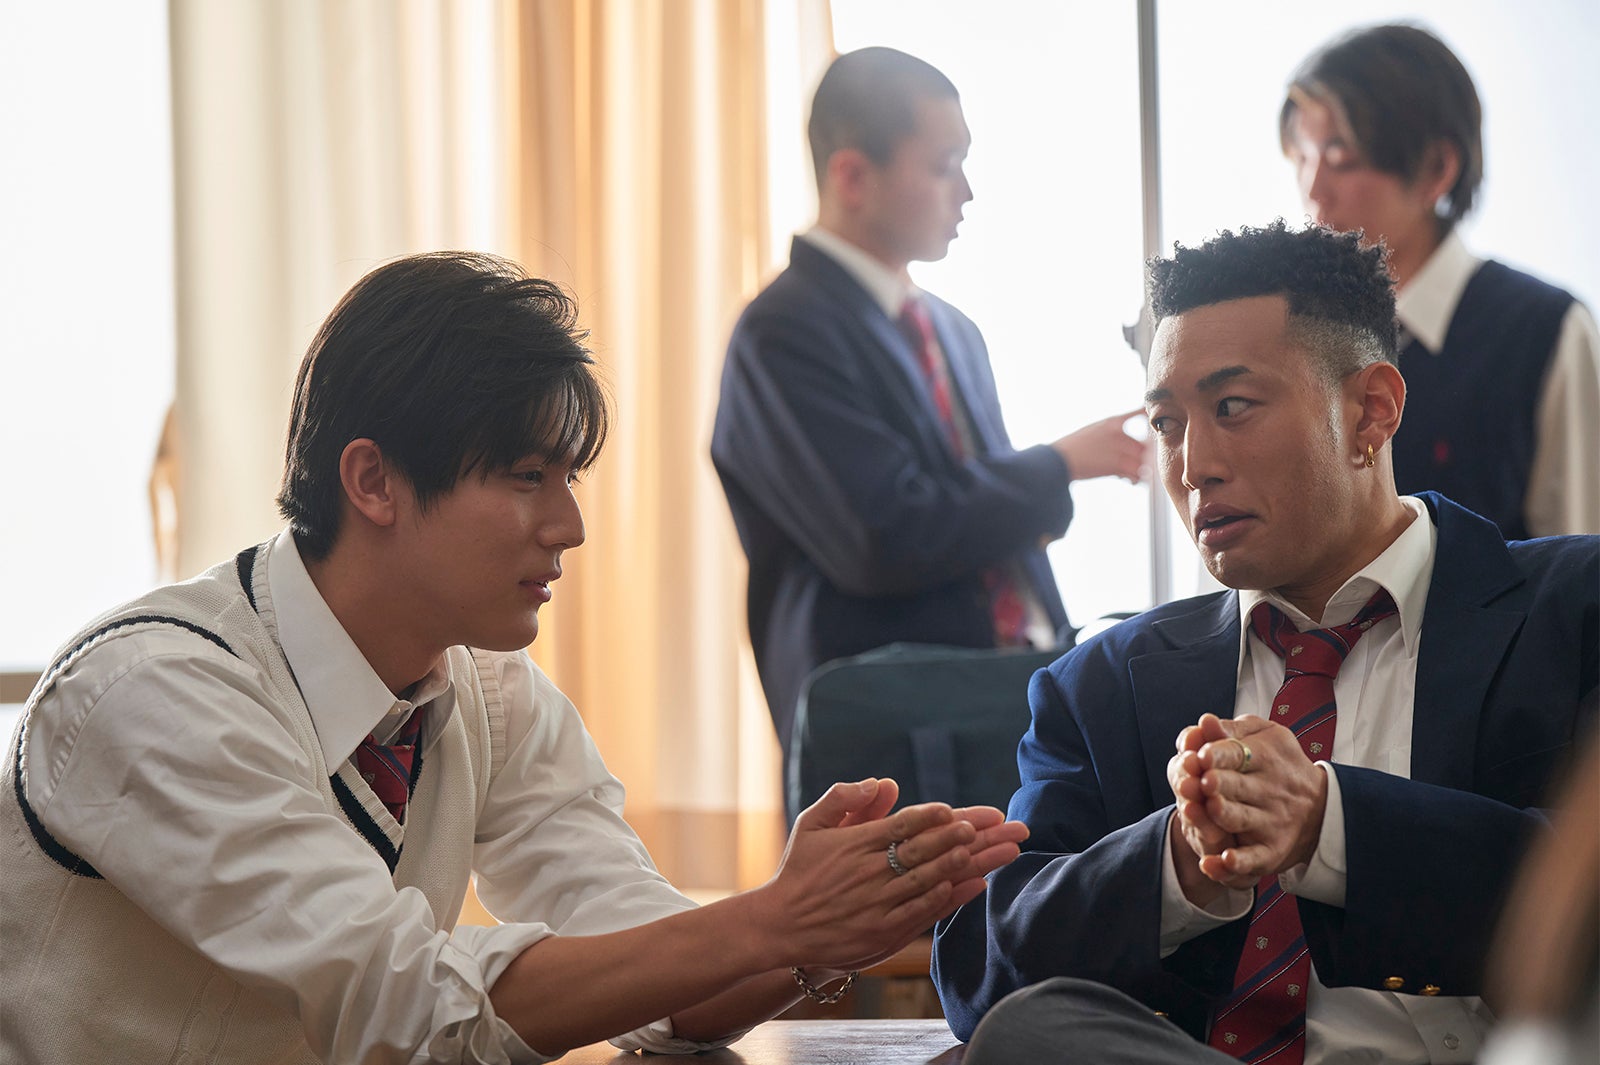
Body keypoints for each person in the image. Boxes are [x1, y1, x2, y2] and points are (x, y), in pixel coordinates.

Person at [0, 251, 1030, 1065]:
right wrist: (769, 921)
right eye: (528, 476)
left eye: (568, 478)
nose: (570, 527)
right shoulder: (156, 691)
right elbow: (405, 1012)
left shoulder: (485, 692)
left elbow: (654, 977)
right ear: (373, 481)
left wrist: (816, 930)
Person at [931, 221, 1599, 1063]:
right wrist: (1177, 865)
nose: (1193, 464)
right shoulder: (1101, 683)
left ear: (1372, 410)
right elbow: (980, 972)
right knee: (1027, 1030)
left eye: (1232, 407)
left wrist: (1330, 825)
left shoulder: (1574, 608)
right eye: (1167, 423)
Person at [711, 46, 1147, 757]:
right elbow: (884, 537)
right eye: (945, 166)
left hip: (1012, 693)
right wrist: (1056, 466)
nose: (966, 192)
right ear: (852, 176)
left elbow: (975, 520)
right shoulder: (781, 332)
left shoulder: (952, 329)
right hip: (898, 733)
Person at [1281, 22, 1600, 539]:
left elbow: (1582, 558)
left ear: (1436, 169)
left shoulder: (1544, 330)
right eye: (1302, 157)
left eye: (1340, 157)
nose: (1313, 187)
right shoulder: (1292, 331)